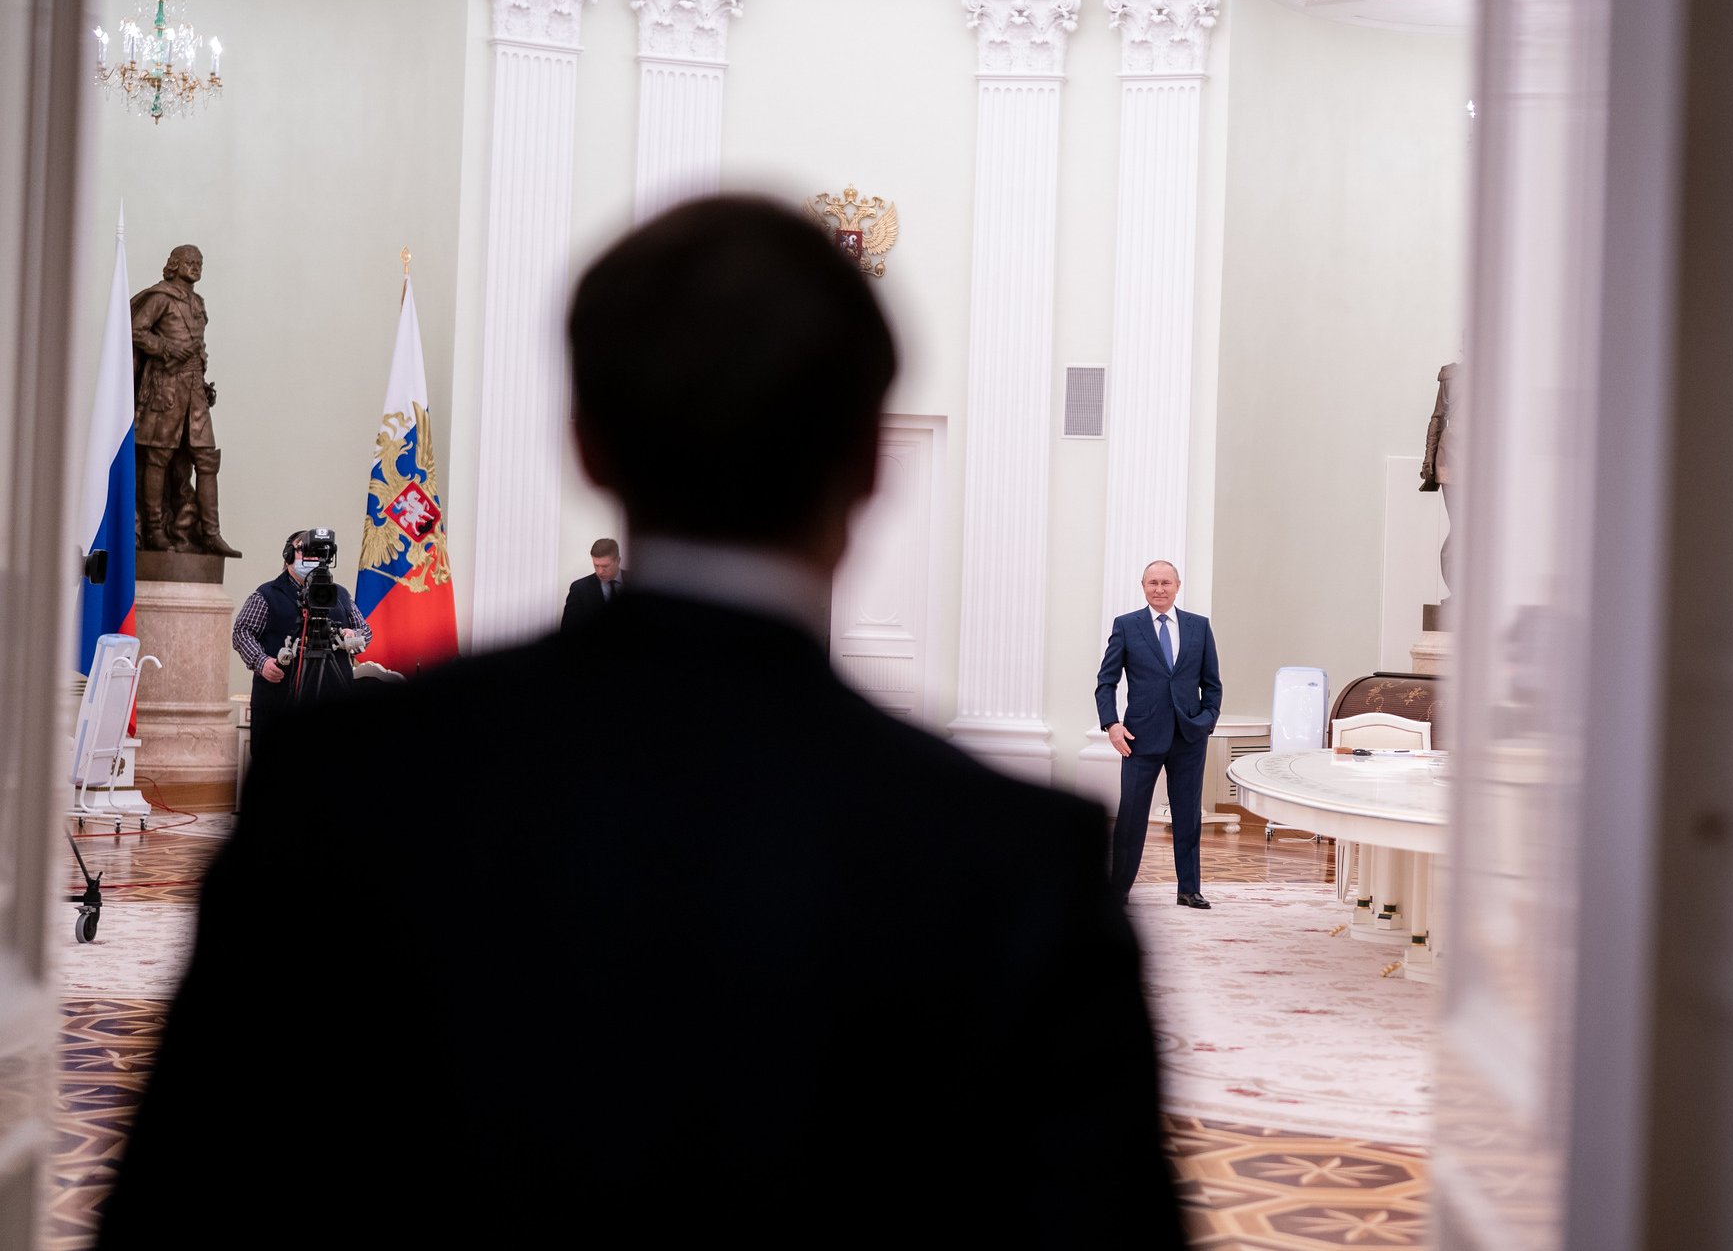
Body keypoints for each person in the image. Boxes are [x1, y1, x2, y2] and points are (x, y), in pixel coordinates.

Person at [97, 198, 1185, 1250]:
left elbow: (190, 1208)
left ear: (585, 444)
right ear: (865, 464)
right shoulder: (1019, 868)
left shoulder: (345, 790)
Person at [1095, 561, 1223, 909]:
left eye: (1166, 582)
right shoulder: (1127, 626)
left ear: (1177, 586)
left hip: (1188, 737)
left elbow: (1212, 684)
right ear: (1143, 586)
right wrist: (1112, 725)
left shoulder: (1199, 627)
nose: (1160, 589)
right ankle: (1118, 890)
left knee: (1187, 816)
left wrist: (1207, 720)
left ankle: (1189, 889)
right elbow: (1106, 682)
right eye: (1153, 583)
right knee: (1131, 817)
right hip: (1139, 737)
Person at [130, 244, 239, 556]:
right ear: (173, 265)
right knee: (158, 457)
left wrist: (203, 384)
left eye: (200, 262)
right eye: (189, 261)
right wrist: (166, 348)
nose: (195, 266)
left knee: (206, 459)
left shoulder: (197, 302)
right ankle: (154, 529)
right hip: (166, 388)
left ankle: (211, 532)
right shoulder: (160, 296)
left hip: (194, 389)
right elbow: (135, 331)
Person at [227, 528, 368, 761]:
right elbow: (242, 632)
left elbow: (367, 631)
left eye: (318, 551)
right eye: (305, 550)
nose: (312, 557)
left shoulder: (339, 595)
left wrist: (353, 634)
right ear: (288, 554)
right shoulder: (266, 594)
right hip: (281, 702)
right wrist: (261, 662)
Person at [1420, 360, 1457, 599]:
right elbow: (1437, 418)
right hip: (1452, 457)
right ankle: (1459, 589)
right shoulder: (1450, 376)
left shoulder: (1495, 375)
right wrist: (1428, 459)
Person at [560, 536, 623, 630]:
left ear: (618, 561)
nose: (600, 571)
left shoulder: (638, 582)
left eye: (605, 566)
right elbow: (568, 631)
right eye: (596, 565)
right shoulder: (579, 589)